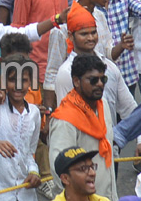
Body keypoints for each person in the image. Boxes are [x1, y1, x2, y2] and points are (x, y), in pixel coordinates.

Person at [48, 55, 116, 201]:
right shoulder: (65, 120)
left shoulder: (102, 104)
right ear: (76, 81)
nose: (99, 84)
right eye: (93, 80)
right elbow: (58, 169)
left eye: (103, 79)